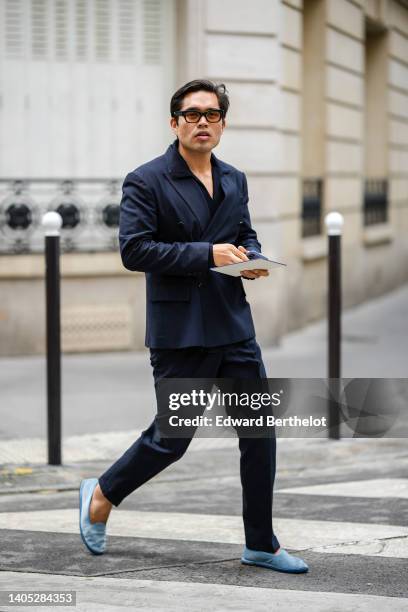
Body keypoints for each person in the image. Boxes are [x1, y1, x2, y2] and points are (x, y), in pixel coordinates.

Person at [79, 79, 308, 573]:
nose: (202, 121)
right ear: (174, 123)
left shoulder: (234, 179)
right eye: (191, 114)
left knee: (259, 434)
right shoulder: (146, 180)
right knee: (172, 439)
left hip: (233, 325)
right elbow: (134, 250)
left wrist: (252, 257)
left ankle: (261, 543)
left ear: (223, 123)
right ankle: (101, 493)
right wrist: (208, 254)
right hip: (181, 331)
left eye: (212, 113)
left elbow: (242, 233)